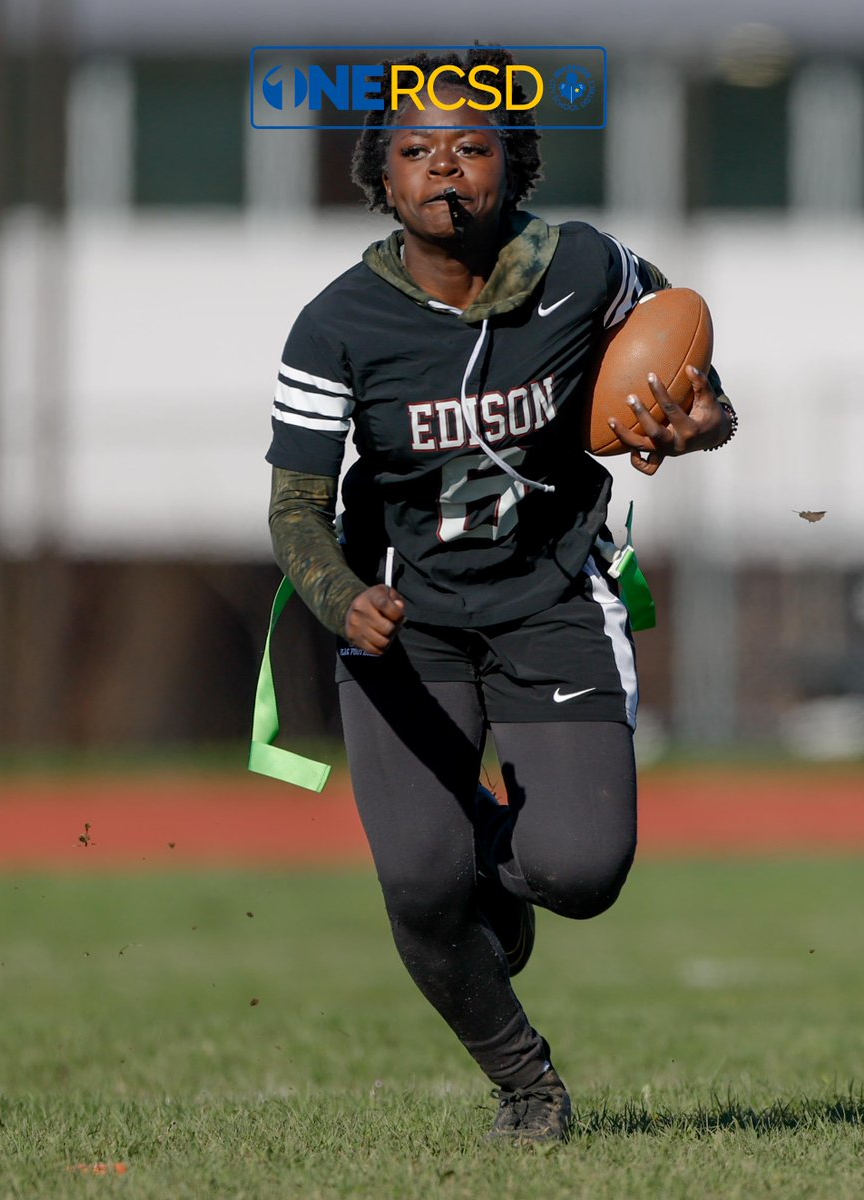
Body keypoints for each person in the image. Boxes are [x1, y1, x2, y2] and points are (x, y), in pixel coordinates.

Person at [265, 48, 736, 1144]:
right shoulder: (335, 325)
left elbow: (686, 366)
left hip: (550, 605)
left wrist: (707, 417)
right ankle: (527, 1087)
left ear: (512, 166)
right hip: (406, 629)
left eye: (470, 148)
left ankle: (505, 874)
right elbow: (294, 508)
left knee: (579, 873)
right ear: (378, 174)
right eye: (416, 150)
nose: (443, 170)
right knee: (424, 890)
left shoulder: (587, 265)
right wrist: (343, 600)